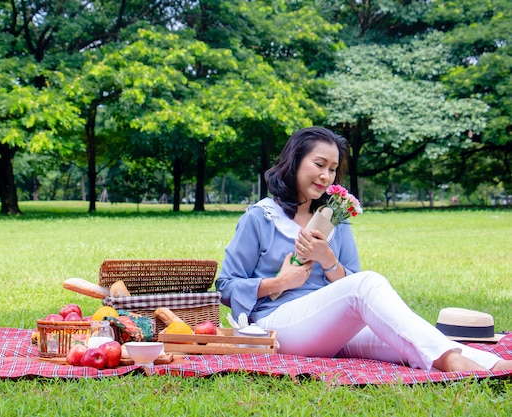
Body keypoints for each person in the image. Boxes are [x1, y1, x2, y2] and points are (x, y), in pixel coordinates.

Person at [215, 126, 512, 372]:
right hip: (279, 327)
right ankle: (462, 365)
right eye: (319, 165)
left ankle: (489, 366)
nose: (326, 176)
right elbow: (226, 287)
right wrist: (279, 283)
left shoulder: (334, 219)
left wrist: (328, 260)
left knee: (409, 336)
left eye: (332, 169)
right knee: (369, 283)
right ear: (294, 161)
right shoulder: (260, 217)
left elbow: (353, 292)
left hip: (334, 328)